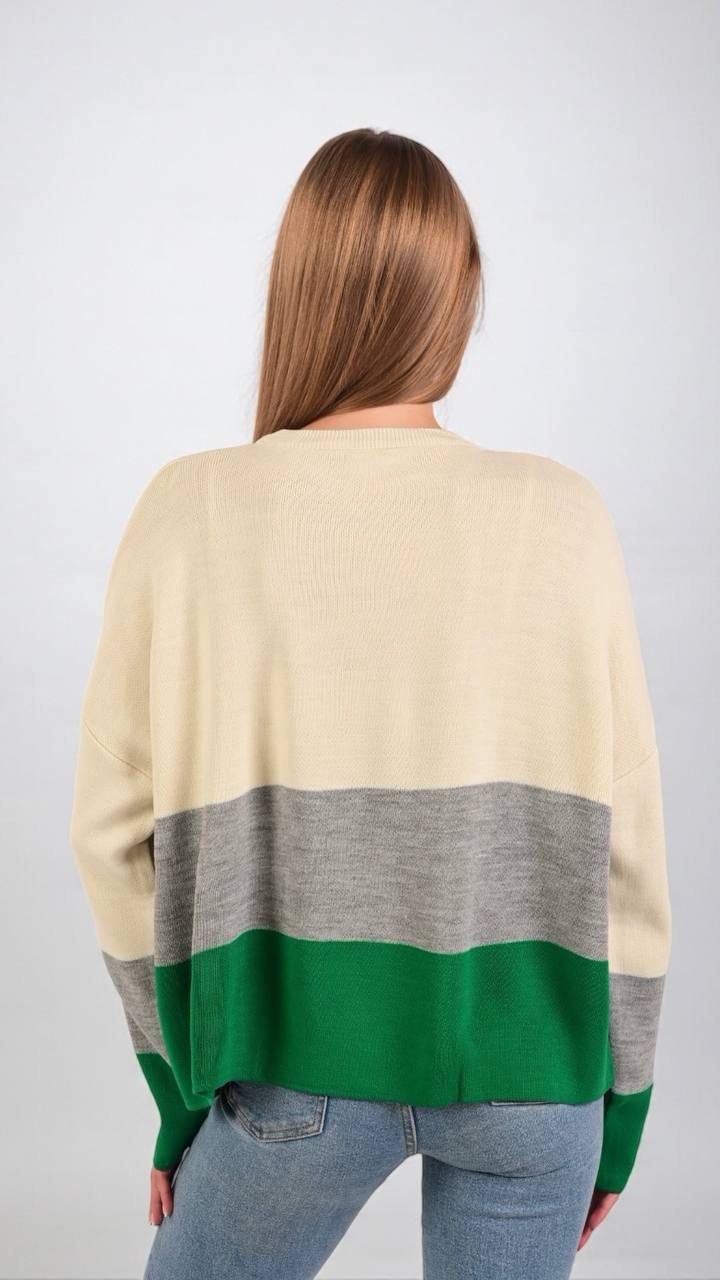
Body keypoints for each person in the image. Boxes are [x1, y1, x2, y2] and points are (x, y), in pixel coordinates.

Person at [68, 128, 672, 1280]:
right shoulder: (564, 514)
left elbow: (108, 835)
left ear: (299, 290)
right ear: (458, 298)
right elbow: (629, 848)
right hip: (534, 1077)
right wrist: (625, 1104)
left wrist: (181, 1085)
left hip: (289, 1070)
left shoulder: (191, 507)